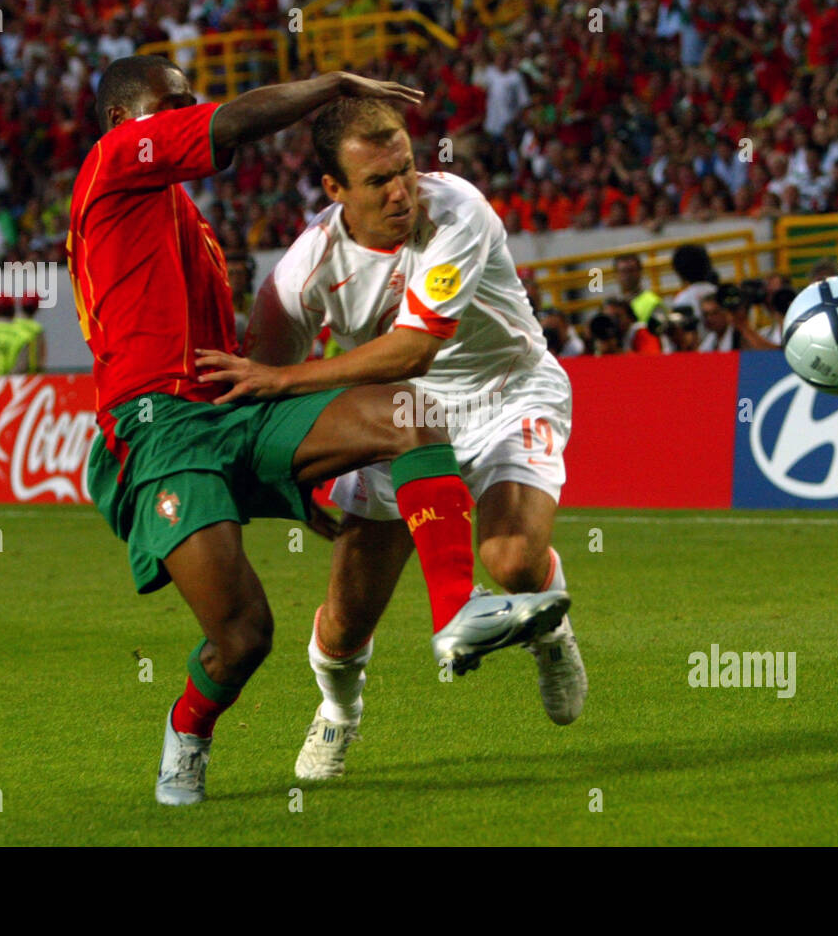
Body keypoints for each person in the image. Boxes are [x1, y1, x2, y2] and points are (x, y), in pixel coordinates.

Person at [67, 57, 568, 806]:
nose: (188, 113)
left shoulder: (184, 219)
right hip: (156, 426)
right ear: (119, 125)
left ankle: (457, 610)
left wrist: (291, 463)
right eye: (169, 106)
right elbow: (234, 123)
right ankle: (187, 731)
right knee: (243, 636)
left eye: (189, 102)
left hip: (227, 412)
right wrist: (333, 86)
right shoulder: (111, 167)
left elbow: (261, 364)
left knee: (407, 410)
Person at [198, 97, 588, 780]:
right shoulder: (300, 274)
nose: (402, 191)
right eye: (378, 181)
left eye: (405, 169)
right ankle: (339, 714)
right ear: (334, 190)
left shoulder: (457, 210)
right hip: (398, 424)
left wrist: (284, 379)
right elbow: (267, 387)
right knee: (345, 624)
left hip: (506, 394)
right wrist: (293, 477)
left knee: (513, 561)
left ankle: (549, 631)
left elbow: (408, 353)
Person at [615, 253, 663, 322]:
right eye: (623, 271)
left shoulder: (652, 302)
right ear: (616, 275)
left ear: (640, 272)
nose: (627, 275)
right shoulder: (612, 306)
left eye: (631, 270)